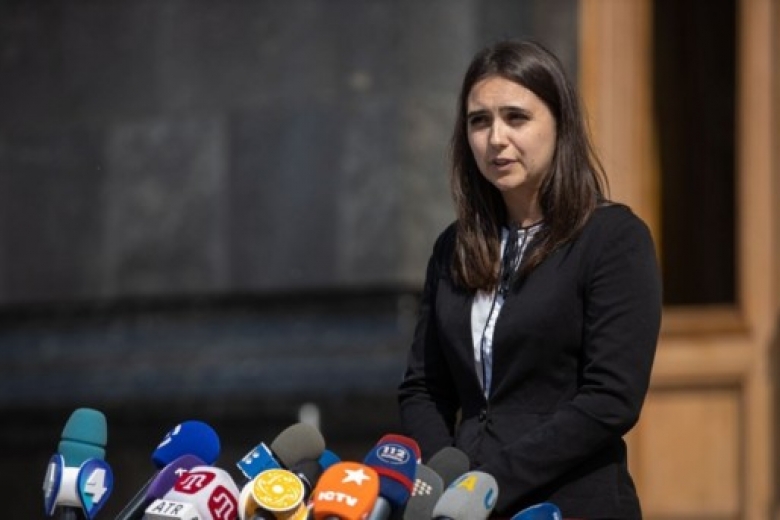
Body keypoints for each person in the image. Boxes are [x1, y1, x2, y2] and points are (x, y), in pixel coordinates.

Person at [397, 39, 662, 519]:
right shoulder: (453, 246)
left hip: (572, 503)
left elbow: (611, 398)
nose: (496, 138)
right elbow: (423, 388)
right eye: (480, 121)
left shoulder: (612, 238)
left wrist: (489, 483)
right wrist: (448, 478)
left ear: (560, 124)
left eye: (516, 118)